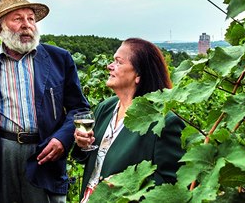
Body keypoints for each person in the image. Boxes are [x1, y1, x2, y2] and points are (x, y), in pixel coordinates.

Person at [0, 0, 90, 203]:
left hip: (45, 153)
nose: (27, 24)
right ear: (0, 27)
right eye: (18, 19)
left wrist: (62, 138)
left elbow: (80, 109)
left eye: (31, 18)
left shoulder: (59, 59)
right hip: (2, 154)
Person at [72, 38, 185, 202]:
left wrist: (126, 186)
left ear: (138, 74)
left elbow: (171, 184)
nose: (109, 66)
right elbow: (90, 159)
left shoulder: (163, 122)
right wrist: (83, 145)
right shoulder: (105, 108)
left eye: (118, 62)